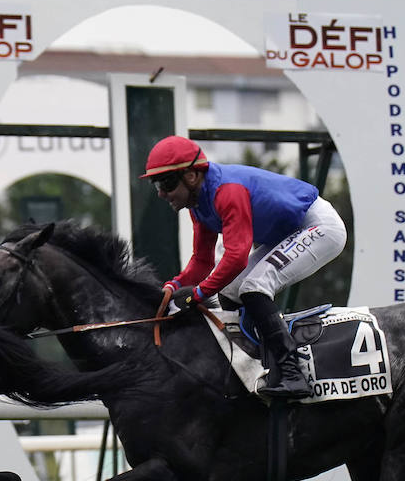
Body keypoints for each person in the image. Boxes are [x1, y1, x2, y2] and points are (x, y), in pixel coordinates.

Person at [140, 135, 346, 399]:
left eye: (166, 183)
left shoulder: (227, 191)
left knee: (254, 286)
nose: (161, 193)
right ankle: (252, 365)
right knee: (231, 290)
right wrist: (174, 286)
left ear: (191, 176)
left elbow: (236, 257)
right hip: (289, 232)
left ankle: (293, 374)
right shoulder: (198, 204)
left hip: (318, 225)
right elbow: (203, 262)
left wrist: (197, 294)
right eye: (156, 184)